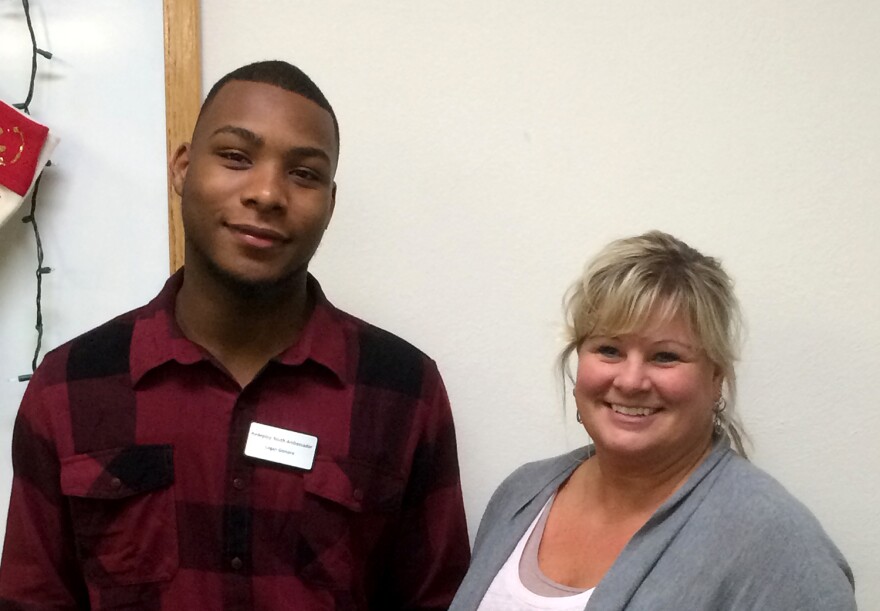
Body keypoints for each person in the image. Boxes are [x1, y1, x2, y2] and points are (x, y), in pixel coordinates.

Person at [0, 60, 470, 610]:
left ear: (330, 204)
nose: (268, 193)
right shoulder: (70, 387)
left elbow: (438, 601)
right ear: (182, 168)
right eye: (236, 157)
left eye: (304, 174)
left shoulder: (403, 390)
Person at [451, 231, 856, 610]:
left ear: (716, 378)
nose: (630, 381)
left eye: (666, 356)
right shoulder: (522, 494)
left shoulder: (776, 544)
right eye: (609, 349)